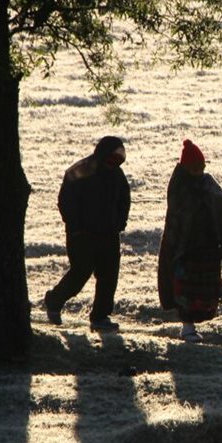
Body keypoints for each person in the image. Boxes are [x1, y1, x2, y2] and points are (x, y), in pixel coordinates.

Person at [43, 135, 130, 331]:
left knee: (109, 276)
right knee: (80, 272)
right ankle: (54, 301)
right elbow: (66, 201)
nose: (114, 162)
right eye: (112, 157)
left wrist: (119, 223)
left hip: (109, 234)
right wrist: (76, 227)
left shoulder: (117, 175)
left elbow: (124, 199)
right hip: (82, 235)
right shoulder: (80, 170)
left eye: (118, 159)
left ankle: (100, 317)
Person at [158, 139, 222, 343]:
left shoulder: (206, 183)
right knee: (185, 288)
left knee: (202, 288)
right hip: (186, 247)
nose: (199, 171)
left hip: (206, 247)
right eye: (195, 167)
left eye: (201, 167)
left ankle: (191, 325)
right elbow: (180, 214)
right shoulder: (180, 186)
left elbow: (221, 203)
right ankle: (187, 327)